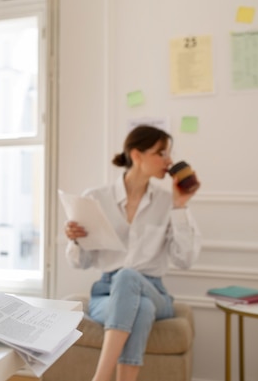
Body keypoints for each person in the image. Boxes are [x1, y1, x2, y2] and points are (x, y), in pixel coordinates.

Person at [64, 125, 202, 381]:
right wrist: (76, 240)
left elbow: (185, 259)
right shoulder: (94, 198)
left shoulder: (168, 201)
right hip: (107, 294)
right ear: (136, 155)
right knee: (142, 310)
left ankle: (100, 378)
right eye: (161, 153)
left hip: (155, 291)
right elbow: (79, 263)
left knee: (129, 277)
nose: (169, 161)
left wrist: (180, 207)